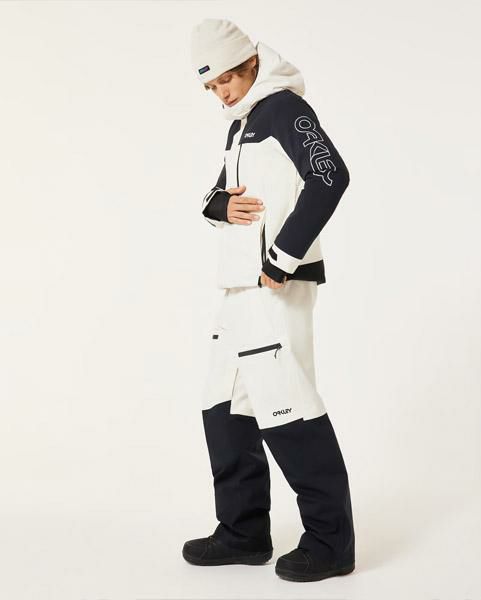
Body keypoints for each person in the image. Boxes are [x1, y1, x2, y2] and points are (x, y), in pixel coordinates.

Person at [183, 18, 356, 583]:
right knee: (223, 406)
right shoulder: (242, 123)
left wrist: (282, 258)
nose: (221, 92)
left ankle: (331, 543)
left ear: (250, 63)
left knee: (288, 407)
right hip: (236, 287)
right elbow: (219, 194)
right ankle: (243, 532)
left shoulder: (284, 109)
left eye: (226, 79)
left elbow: (330, 175)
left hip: (275, 287)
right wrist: (218, 205)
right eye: (211, 86)